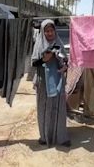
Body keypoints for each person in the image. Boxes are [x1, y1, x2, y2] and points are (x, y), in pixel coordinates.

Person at [31, 19, 70, 147]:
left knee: (58, 108)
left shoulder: (58, 42)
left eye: (51, 30)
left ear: (55, 31)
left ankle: (61, 137)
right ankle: (44, 136)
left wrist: (65, 66)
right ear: (43, 32)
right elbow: (34, 63)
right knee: (43, 108)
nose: (49, 33)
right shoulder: (39, 44)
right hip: (43, 82)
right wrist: (44, 59)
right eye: (46, 31)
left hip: (57, 80)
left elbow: (66, 60)